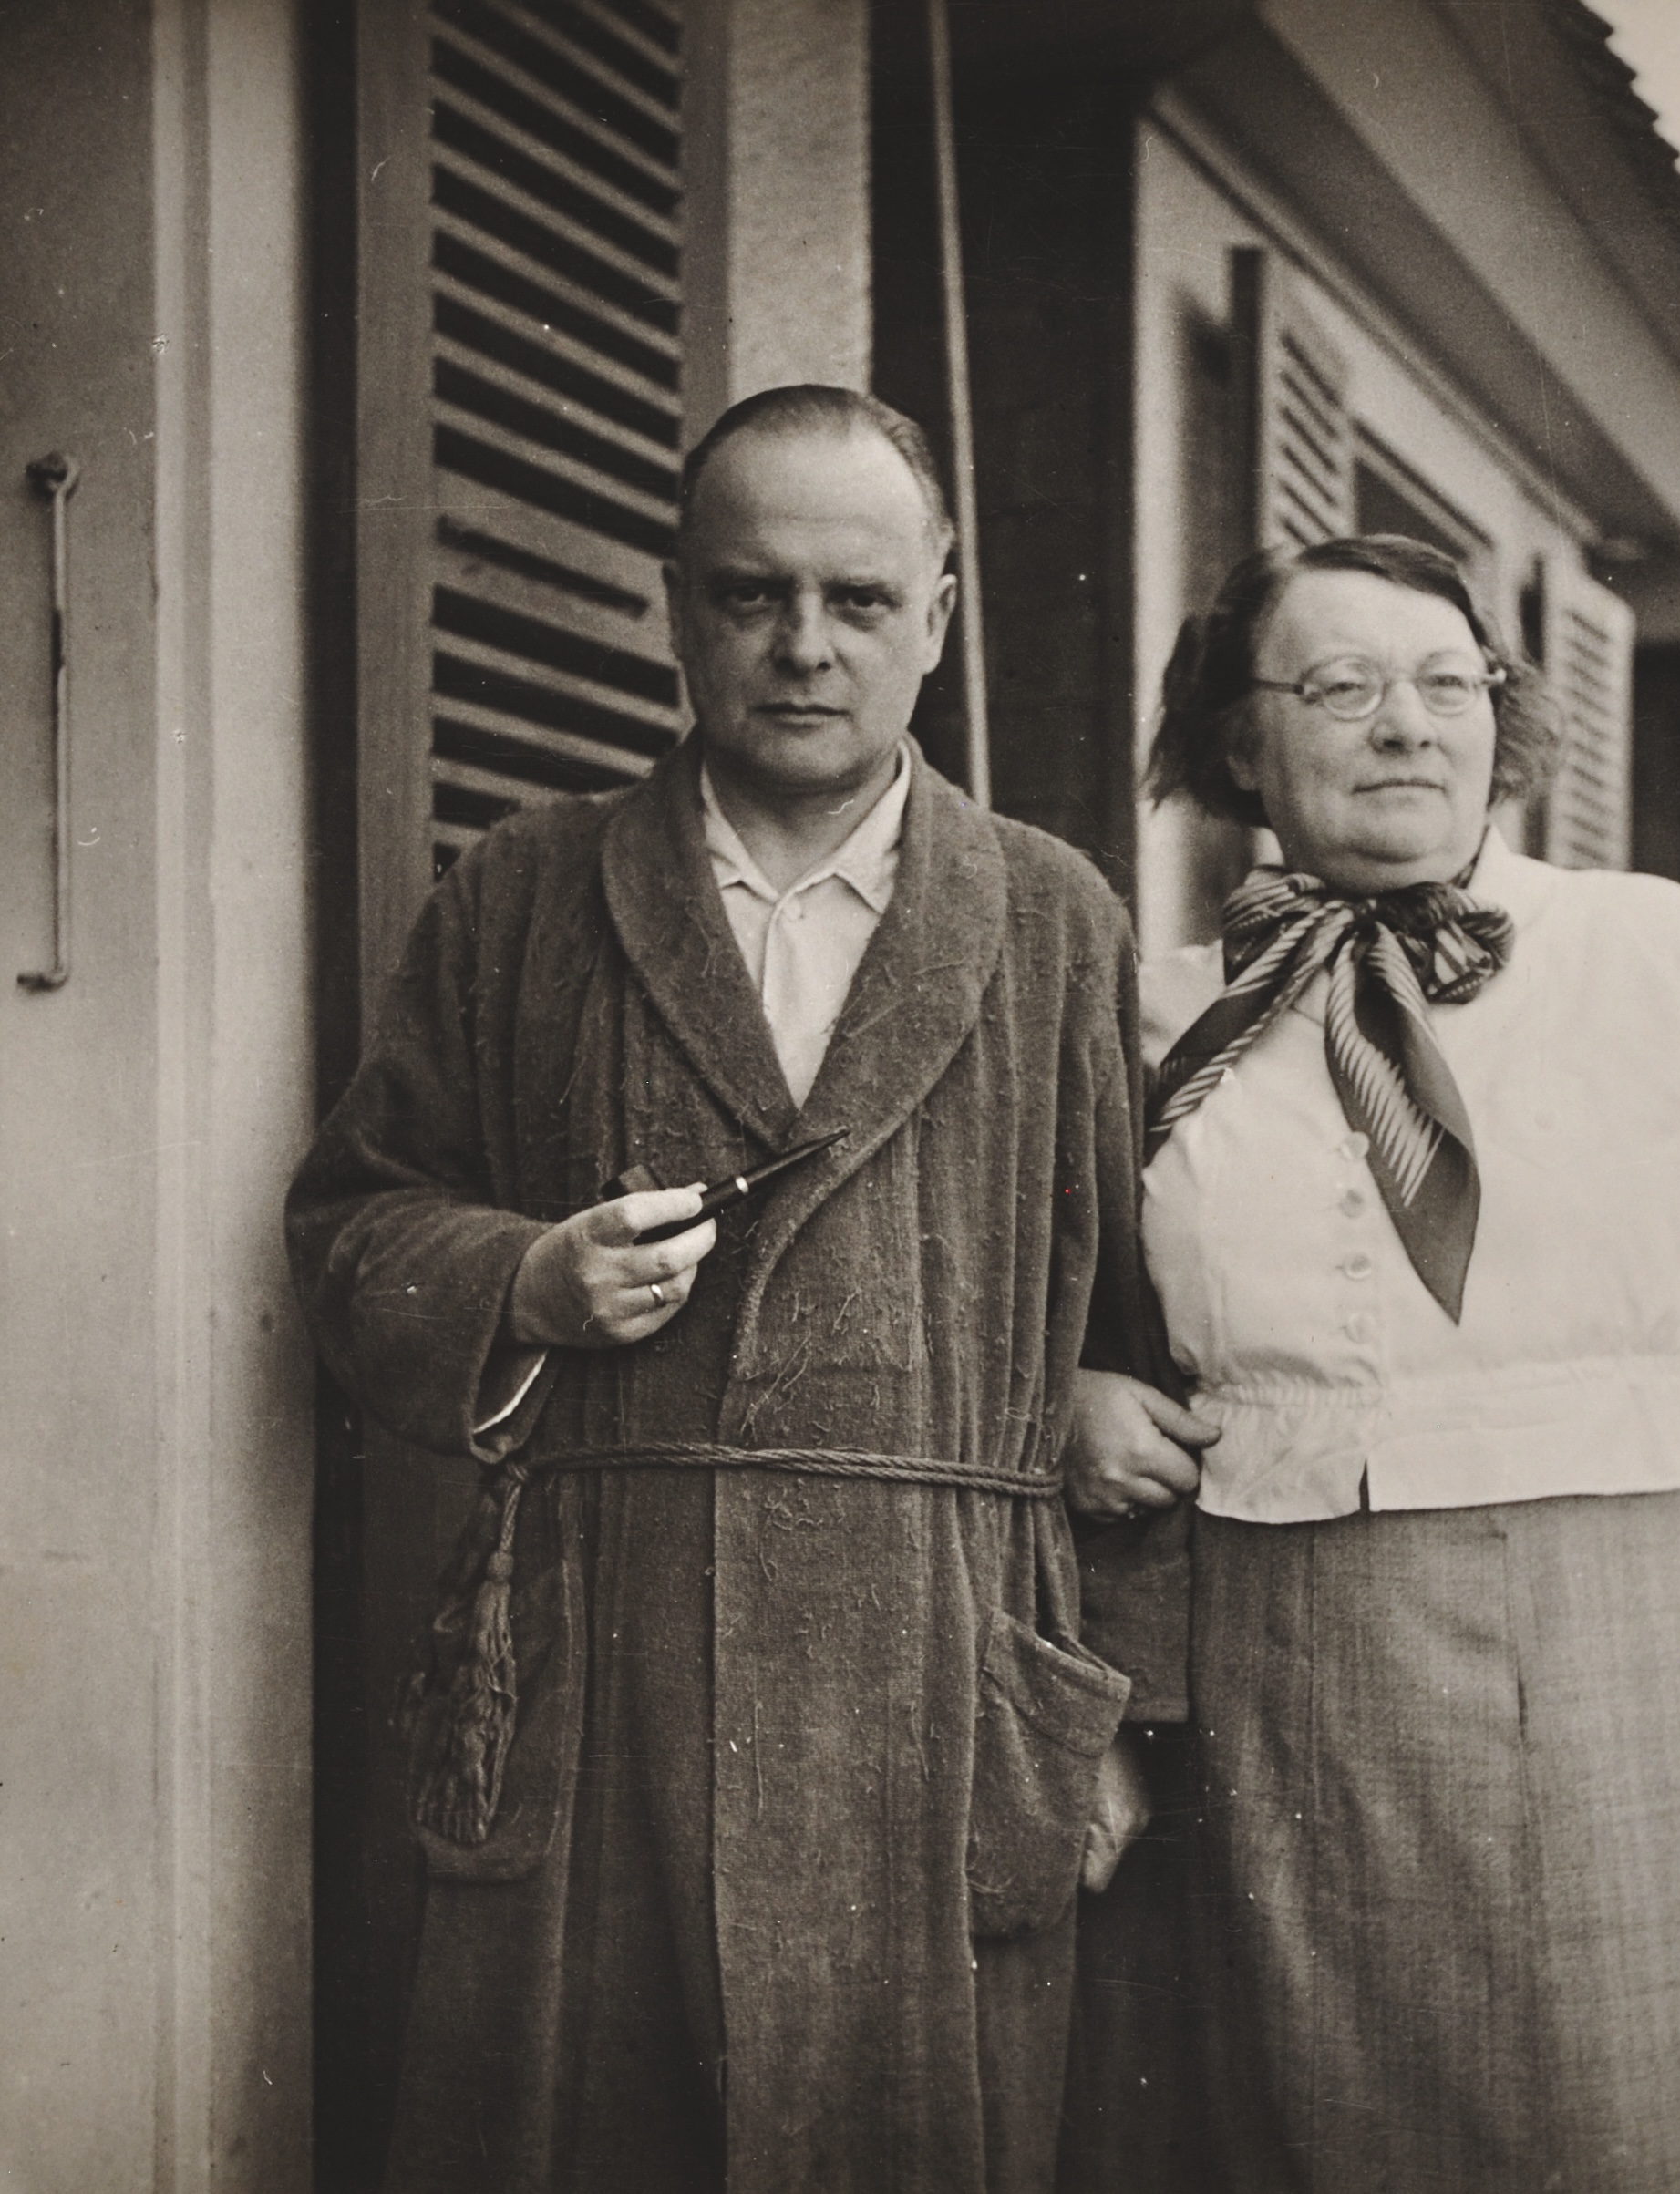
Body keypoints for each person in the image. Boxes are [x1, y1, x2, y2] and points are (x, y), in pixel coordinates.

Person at [287, 386, 1156, 2194]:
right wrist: (522, 1279)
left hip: (945, 1695)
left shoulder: (1056, 918)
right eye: (753, 595)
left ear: (938, 613)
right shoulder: (523, 892)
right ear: (676, 606)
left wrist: (1110, 1714)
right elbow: (354, 1225)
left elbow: (1139, 1342)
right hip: (607, 1683)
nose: (804, 646)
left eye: (857, 598)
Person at [1068, 535, 1680, 2192]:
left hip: (1604, 1631)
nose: (1406, 724)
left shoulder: (1641, 945)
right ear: (1242, 745)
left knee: (1605, 2120)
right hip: (1269, 1637)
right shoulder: (1155, 1014)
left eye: (1448, 684)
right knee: (1302, 2128)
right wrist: (1070, 1395)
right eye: (1342, 687)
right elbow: (1071, 1295)